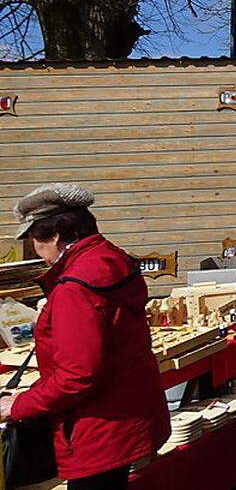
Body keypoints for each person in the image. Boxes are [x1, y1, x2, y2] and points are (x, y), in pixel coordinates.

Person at [1, 184, 169, 489]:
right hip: (125, 417)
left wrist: (20, 405)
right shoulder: (112, 259)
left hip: (96, 430)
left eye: (34, 240)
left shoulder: (74, 288)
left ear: (53, 236)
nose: (36, 252)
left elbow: (78, 375)